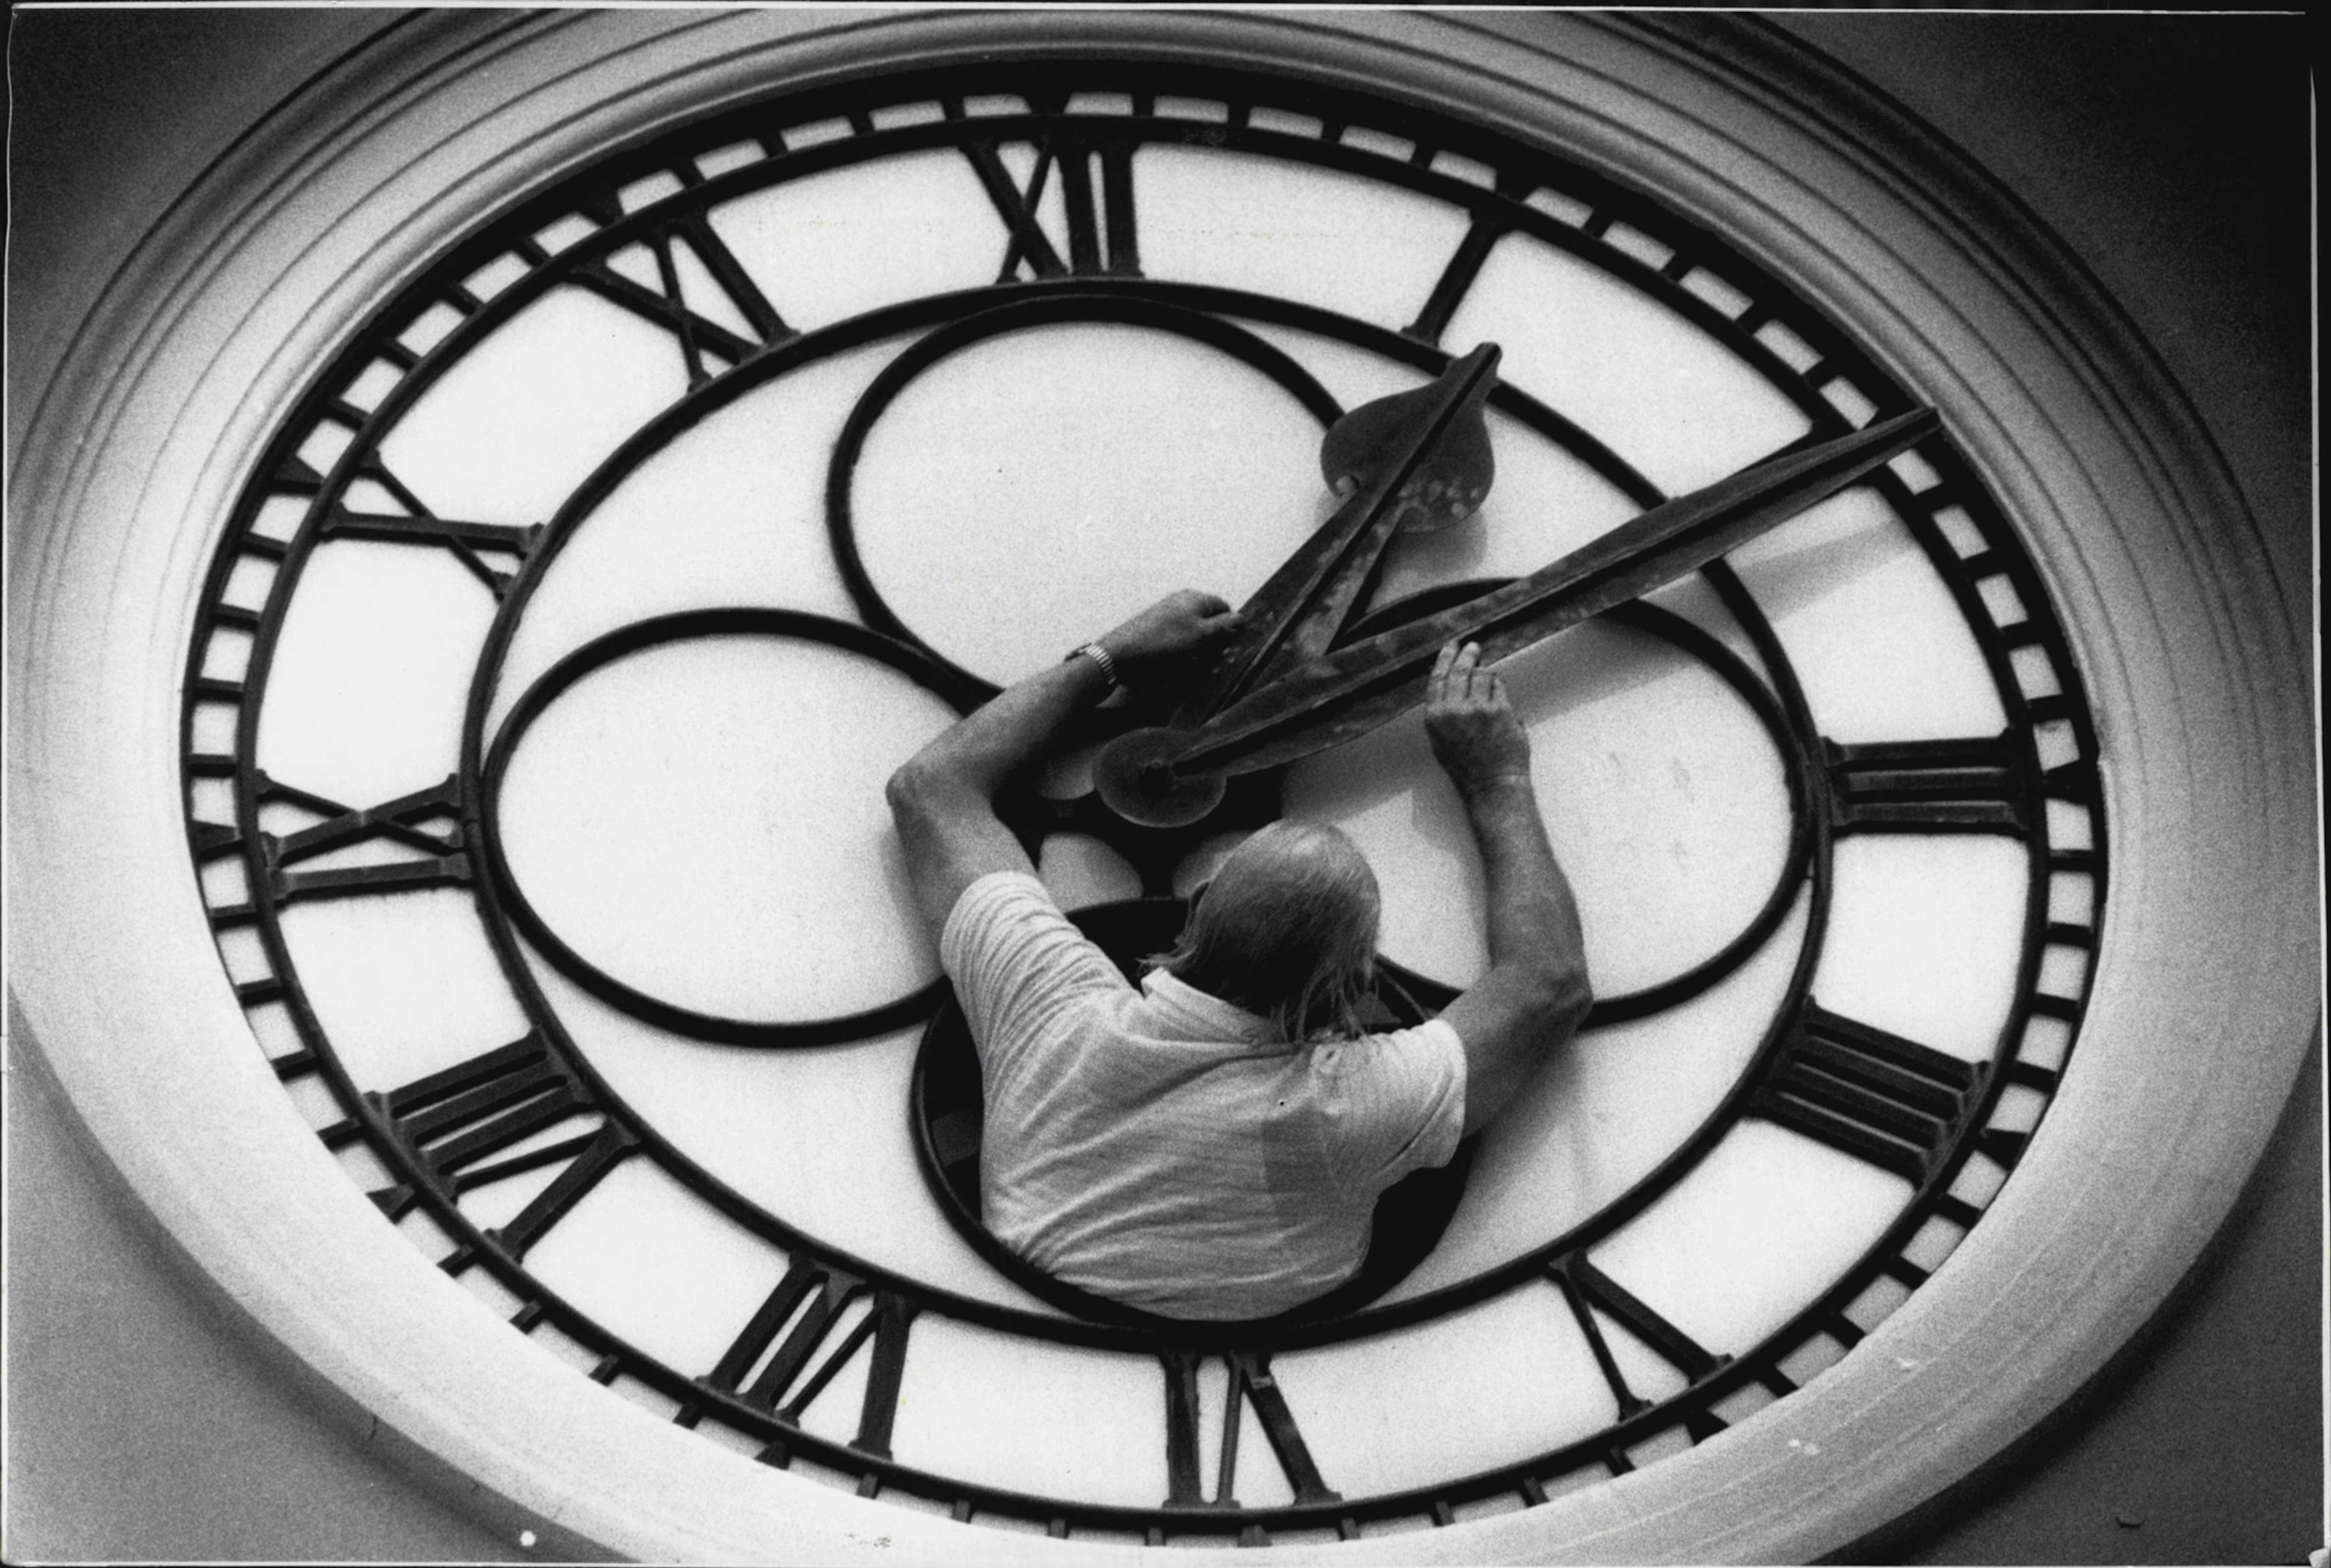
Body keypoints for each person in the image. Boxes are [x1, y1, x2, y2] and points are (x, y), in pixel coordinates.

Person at [886, 589, 1590, 1319]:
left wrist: (1111, 656)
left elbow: (931, 788)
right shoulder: (1347, 1106)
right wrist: (1497, 779)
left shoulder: (1049, 1012)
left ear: (1195, 909)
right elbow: (1550, 982)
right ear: (1355, 990)